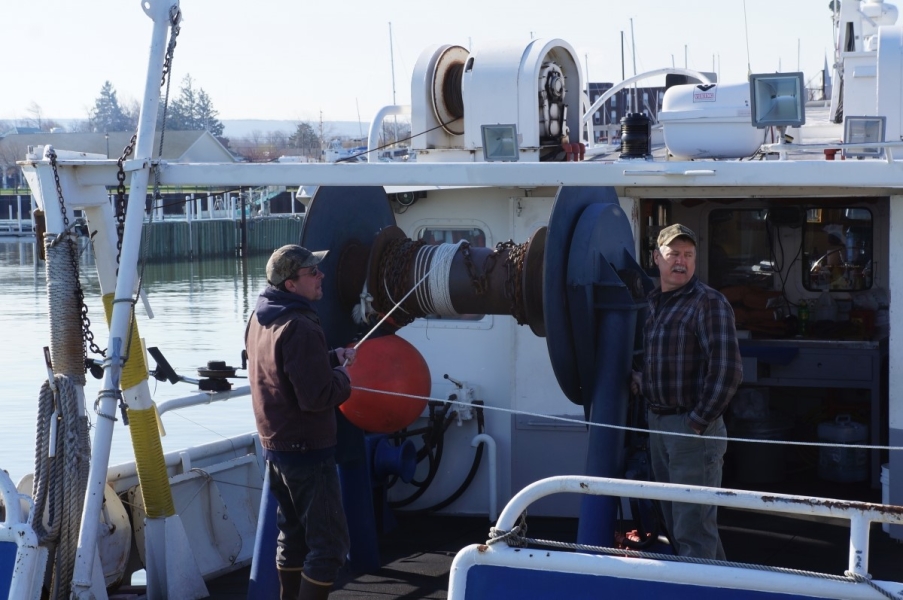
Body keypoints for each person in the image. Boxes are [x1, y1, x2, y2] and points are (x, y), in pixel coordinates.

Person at [245, 244, 357, 600]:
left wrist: (328, 358)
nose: (321, 275)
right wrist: (343, 377)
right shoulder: (301, 325)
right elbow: (317, 396)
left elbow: (283, 367)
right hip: (308, 451)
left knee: (292, 538)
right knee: (329, 548)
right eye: (313, 272)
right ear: (291, 285)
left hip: (276, 450)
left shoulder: (260, 318)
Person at [631, 224, 742, 560]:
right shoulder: (655, 302)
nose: (681, 261)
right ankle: (720, 587)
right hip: (659, 426)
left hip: (691, 430)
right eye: (673, 254)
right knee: (679, 524)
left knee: (693, 528)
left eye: (688, 255)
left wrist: (696, 423)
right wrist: (642, 381)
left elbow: (728, 371)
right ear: (656, 258)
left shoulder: (708, 303)